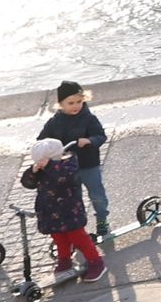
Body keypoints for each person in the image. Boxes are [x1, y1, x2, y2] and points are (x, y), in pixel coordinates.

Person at [37, 81, 112, 237]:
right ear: (61, 104)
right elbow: (42, 140)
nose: (76, 106)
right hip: (66, 168)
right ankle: (76, 227)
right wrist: (46, 150)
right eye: (70, 103)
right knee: (71, 199)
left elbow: (100, 136)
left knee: (97, 194)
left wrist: (89, 140)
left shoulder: (88, 118)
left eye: (79, 101)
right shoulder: (54, 122)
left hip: (88, 164)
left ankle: (102, 219)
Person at [25, 145, 104, 283]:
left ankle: (96, 262)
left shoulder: (68, 165)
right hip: (50, 212)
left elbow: (66, 178)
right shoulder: (41, 168)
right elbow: (28, 183)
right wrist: (33, 171)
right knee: (60, 239)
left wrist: (50, 166)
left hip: (70, 211)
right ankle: (64, 261)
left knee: (79, 239)